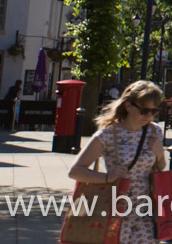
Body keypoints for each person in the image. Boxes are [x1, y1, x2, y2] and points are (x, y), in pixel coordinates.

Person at [68, 80, 166, 244]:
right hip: (114, 208)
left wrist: (160, 153)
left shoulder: (154, 131)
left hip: (145, 210)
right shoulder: (108, 134)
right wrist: (107, 177)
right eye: (144, 111)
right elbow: (75, 171)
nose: (149, 116)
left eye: (154, 111)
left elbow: (160, 168)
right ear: (128, 106)